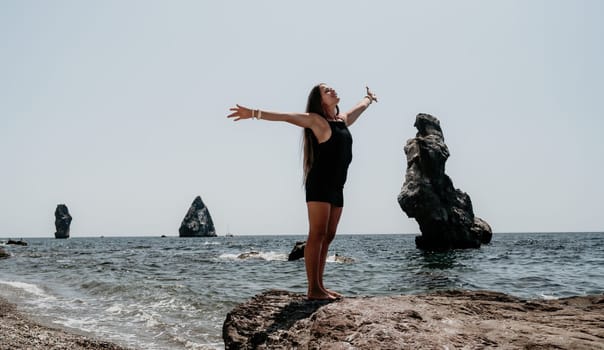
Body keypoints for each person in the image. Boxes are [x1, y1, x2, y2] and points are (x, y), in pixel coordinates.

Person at [227, 84, 378, 300]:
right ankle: (313, 289)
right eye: (327, 91)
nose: (333, 91)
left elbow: (359, 108)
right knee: (317, 234)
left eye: (332, 88)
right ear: (319, 100)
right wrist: (253, 113)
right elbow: (287, 117)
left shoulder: (342, 120)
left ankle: (321, 286)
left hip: (337, 186)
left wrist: (368, 98)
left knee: (329, 236)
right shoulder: (316, 121)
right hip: (320, 184)